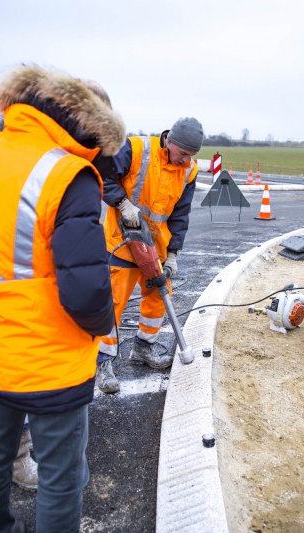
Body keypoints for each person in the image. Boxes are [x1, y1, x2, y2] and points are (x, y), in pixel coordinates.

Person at [0, 64, 124, 532]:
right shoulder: (68, 174)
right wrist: (104, 325)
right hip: (51, 362)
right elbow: (85, 292)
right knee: (61, 477)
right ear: (88, 127)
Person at [95, 117, 204, 393]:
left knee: (158, 297)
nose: (185, 161)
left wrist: (174, 254)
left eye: (191, 156)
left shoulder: (189, 170)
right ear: (170, 142)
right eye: (182, 154)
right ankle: (102, 361)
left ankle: (144, 348)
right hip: (122, 240)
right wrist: (122, 203)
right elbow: (102, 175)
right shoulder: (136, 149)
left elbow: (180, 214)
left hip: (155, 247)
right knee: (113, 302)